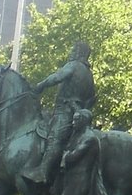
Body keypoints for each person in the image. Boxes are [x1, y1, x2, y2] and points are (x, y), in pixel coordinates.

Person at [34, 41, 96, 185]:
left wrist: (41, 85)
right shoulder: (89, 74)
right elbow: (92, 97)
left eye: (74, 49)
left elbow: (57, 77)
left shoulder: (73, 66)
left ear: (79, 52)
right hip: (80, 111)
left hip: (66, 110)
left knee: (55, 138)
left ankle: (42, 172)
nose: (71, 52)